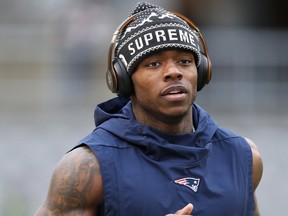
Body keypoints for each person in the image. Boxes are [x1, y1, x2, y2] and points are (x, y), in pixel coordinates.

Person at [34, 2, 263, 216]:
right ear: (123, 81)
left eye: (184, 61)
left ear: (202, 71)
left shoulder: (243, 157)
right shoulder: (85, 168)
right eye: (153, 64)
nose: (173, 72)